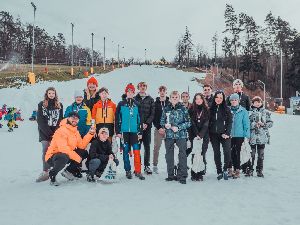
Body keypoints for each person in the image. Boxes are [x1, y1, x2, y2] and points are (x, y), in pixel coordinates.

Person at [45, 112, 95, 186]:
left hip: (67, 154)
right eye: (73, 117)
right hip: (53, 156)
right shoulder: (61, 130)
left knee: (83, 152)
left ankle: (69, 171)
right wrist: (78, 158)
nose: (75, 120)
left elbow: (81, 145)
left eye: (77, 118)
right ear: (68, 118)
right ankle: (53, 174)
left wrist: (90, 134)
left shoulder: (75, 131)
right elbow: (63, 148)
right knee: (63, 156)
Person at [115, 83, 145, 180]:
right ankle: (127, 170)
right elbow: (117, 118)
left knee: (137, 151)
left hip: (134, 132)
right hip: (124, 132)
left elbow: (140, 119)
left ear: (134, 93)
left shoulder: (137, 104)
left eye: (132, 92)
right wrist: (118, 131)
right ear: (126, 92)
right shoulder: (121, 104)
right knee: (125, 152)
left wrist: (140, 132)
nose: (130, 93)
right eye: (128, 91)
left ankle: (138, 171)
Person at [161, 91, 191, 184]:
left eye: (176, 97)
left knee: (182, 155)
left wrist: (178, 127)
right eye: (173, 97)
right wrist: (165, 125)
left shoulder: (183, 109)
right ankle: (170, 175)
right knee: (169, 155)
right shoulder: (166, 109)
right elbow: (162, 120)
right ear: (170, 98)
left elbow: (188, 122)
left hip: (181, 135)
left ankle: (182, 176)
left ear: (179, 98)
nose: (174, 99)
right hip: (169, 135)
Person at [36, 87, 63, 182]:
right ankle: (45, 171)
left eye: (53, 93)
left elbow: (60, 120)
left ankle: (53, 169)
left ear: (55, 94)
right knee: (45, 149)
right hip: (44, 132)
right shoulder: (41, 104)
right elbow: (40, 120)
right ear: (46, 94)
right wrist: (49, 133)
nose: (51, 95)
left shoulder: (59, 105)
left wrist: (55, 133)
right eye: (49, 93)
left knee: (54, 151)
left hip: (55, 133)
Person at [209, 90, 232, 180]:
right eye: (217, 97)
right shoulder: (210, 108)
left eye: (221, 98)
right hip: (213, 134)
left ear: (223, 99)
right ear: (214, 98)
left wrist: (227, 133)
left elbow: (230, 122)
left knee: (227, 152)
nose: (218, 99)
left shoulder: (227, 109)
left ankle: (225, 169)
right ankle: (219, 171)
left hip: (224, 134)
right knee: (216, 153)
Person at [248, 96, 273, 177]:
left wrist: (264, 124)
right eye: (256, 102)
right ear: (253, 103)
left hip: (262, 137)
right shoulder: (249, 112)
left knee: (261, 155)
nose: (257, 104)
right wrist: (254, 124)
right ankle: (250, 169)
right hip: (252, 136)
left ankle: (259, 170)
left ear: (261, 103)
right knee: (252, 154)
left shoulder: (266, 112)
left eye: (259, 102)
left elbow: (271, 123)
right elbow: (247, 123)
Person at [187, 93, 210, 181]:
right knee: (194, 153)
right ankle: (194, 172)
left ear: (203, 99)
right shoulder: (191, 109)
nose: (198, 100)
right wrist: (196, 133)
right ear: (194, 100)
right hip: (194, 135)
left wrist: (201, 134)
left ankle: (200, 173)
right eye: (196, 99)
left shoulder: (207, 110)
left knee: (201, 153)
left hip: (204, 135)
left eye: (200, 98)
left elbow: (206, 123)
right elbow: (191, 123)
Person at [134, 81, 155, 174]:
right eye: (141, 86)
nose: (142, 87)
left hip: (147, 128)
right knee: (137, 147)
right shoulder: (134, 99)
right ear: (138, 87)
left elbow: (152, 113)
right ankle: (137, 167)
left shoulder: (150, 99)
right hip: (137, 128)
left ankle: (147, 166)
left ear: (146, 87)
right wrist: (139, 124)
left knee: (147, 147)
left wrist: (147, 123)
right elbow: (133, 113)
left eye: (144, 86)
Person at [228, 93, 250, 179]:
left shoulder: (243, 111)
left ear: (238, 101)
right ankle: (229, 169)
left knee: (237, 153)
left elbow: (246, 124)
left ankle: (237, 170)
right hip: (229, 135)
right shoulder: (227, 110)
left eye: (235, 100)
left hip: (239, 136)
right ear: (230, 101)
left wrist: (246, 136)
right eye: (232, 100)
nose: (234, 101)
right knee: (229, 153)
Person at [152, 85, 170, 174]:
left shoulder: (169, 102)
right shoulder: (155, 103)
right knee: (156, 148)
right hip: (158, 129)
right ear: (159, 92)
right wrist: (159, 128)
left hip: (168, 129)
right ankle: (155, 165)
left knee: (169, 148)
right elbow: (153, 117)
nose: (162, 92)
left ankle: (170, 165)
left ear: (166, 92)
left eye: (164, 90)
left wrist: (168, 127)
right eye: (161, 90)